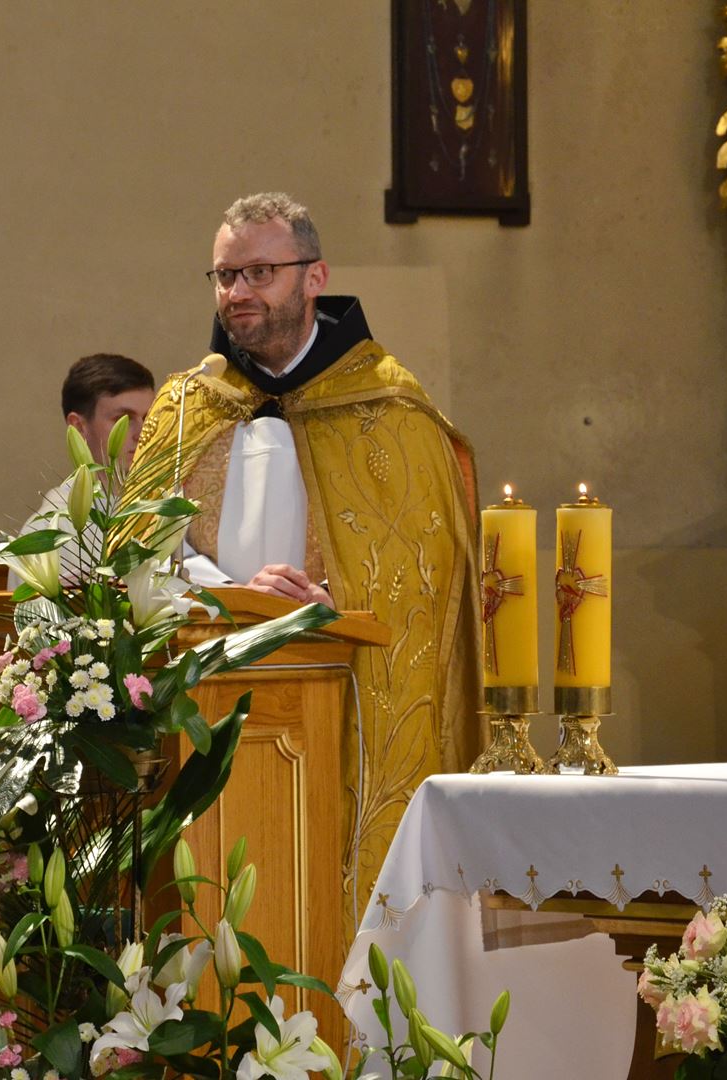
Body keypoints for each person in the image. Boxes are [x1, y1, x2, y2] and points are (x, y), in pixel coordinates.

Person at [126, 192, 480, 939]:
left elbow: (428, 577)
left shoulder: (389, 406)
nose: (236, 293)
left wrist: (334, 600)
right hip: (209, 705)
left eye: (258, 272)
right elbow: (137, 551)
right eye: (223, 276)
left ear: (314, 276)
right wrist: (231, 594)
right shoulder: (187, 408)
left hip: (342, 699)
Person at [9, 354, 155, 586]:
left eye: (148, 418)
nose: (142, 433)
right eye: (123, 419)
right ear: (78, 427)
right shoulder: (47, 534)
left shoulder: (167, 513)